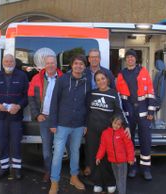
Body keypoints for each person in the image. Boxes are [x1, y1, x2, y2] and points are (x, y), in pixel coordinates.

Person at [48, 54, 89, 194]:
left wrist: (85, 124)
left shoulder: (87, 81)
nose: (79, 66)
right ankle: (54, 182)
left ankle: (74, 177)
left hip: (78, 125)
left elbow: (87, 104)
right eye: (76, 63)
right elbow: (54, 102)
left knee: (75, 152)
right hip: (62, 124)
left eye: (81, 64)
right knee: (58, 154)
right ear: (72, 65)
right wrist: (53, 123)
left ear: (84, 66)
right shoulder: (63, 80)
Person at [0, 54, 29, 180]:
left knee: (16, 143)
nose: (9, 63)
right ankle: (4, 168)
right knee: (2, 143)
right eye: (6, 61)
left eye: (11, 61)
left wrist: (19, 106)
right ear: (3, 62)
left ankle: (17, 169)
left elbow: (27, 96)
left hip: (16, 117)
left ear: (14, 63)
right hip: (1, 117)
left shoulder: (22, 76)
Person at [86, 70, 130, 193]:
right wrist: (85, 126)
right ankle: (98, 182)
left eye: (103, 78)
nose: (101, 81)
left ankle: (110, 181)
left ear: (107, 80)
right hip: (92, 131)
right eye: (98, 80)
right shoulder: (91, 94)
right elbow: (86, 111)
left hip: (108, 132)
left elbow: (119, 111)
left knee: (107, 157)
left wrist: (125, 125)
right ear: (95, 82)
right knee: (95, 156)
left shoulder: (114, 94)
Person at [116, 49, 156, 181]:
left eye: (132, 57)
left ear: (135, 59)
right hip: (128, 112)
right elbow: (119, 96)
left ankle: (146, 169)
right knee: (129, 140)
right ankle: (132, 167)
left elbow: (150, 92)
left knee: (146, 140)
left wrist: (151, 111)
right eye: (128, 57)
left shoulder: (143, 72)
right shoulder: (121, 74)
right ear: (125, 59)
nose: (130, 59)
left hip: (143, 111)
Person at [28, 52, 63, 183]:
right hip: (44, 119)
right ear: (44, 64)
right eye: (48, 63)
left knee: (59, 148)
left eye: (52, 63)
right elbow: (31, 97)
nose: (50, 65)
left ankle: (57, 172)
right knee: (46, 149)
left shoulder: (63, 78)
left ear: (56, 64)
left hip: (59, 119)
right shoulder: (36, 78)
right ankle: (48, 171)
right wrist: (37, 114)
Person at [83, 48, 116, 176]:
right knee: (90, 142)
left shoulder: (107, 73)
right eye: (91, 57)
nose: (94, 59)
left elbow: (113, 91)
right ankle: (89, 165)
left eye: (96, 57)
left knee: (104, 141)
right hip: (87, 108)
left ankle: (104, 166)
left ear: (100, 58)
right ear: (88, 59)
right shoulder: (83, 72)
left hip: (103, 111)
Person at [96, 115, 134, 194]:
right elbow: (102, 146)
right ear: (112, 122)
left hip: (122, 161)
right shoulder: (105, 133)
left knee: (122, 180)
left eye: (119, 124)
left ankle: (121, 192)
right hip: (113, 161)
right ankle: (120, 191)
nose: (116, 126)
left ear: (121, 125)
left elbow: (129, 146)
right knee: (117, 178)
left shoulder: (123, 132)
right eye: (115, 123)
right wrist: (98, 157)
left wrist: (130, 158)